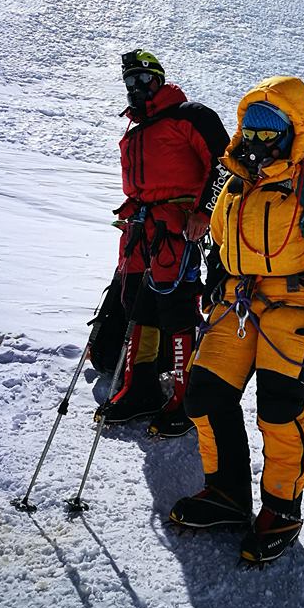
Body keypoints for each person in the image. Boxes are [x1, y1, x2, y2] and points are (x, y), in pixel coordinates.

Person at [169, 76, 304, 565]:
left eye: (268, 127)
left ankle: (282, 509)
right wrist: (216, 281)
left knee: (278, 410)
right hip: (235, 304)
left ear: (293, 130)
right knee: (205, 395)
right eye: (249, 127)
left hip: (297, 304)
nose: (256, 139)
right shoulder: (233, 181)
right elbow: (219, 242)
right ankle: (227, 495)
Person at [102, 49, 229, 437]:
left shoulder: (189, 116)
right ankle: (138, 388)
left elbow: (224, 163)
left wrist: (204, 213)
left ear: (159, 79)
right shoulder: (137, 128)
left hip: (178, 231)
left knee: (176, 312)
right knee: (140, 309)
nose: (135, 88)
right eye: (129, 82)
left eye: (143, 79)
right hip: (142, 230)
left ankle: (184, 396)